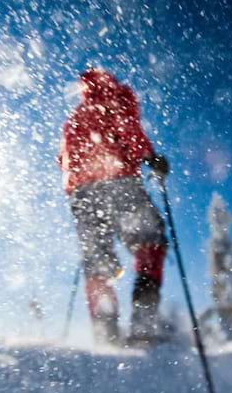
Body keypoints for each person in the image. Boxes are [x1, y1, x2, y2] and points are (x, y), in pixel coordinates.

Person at [58, 68, 169, 345]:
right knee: (150, 241)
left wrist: (80, 183)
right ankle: (143, 326)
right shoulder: (115, 102)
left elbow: (62, 160)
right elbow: (130, 134)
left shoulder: (73, 118)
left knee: (97, 260)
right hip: (119, 183)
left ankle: (105, 334)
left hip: (82, 195)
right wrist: (151, 158)